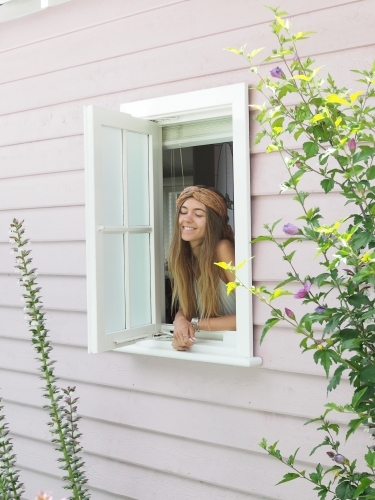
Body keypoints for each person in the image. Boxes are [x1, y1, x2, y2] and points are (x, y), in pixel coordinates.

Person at [167, 185, 236, 351]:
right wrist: (180, 321)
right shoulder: (185, 258)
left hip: (234, 347)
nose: (188, 219)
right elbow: (186, 308)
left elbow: (250, 316)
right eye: (183, 212)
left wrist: (195, 325)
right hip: (210, 347)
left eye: (198, 214)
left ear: (212, 223)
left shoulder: (222, 249)